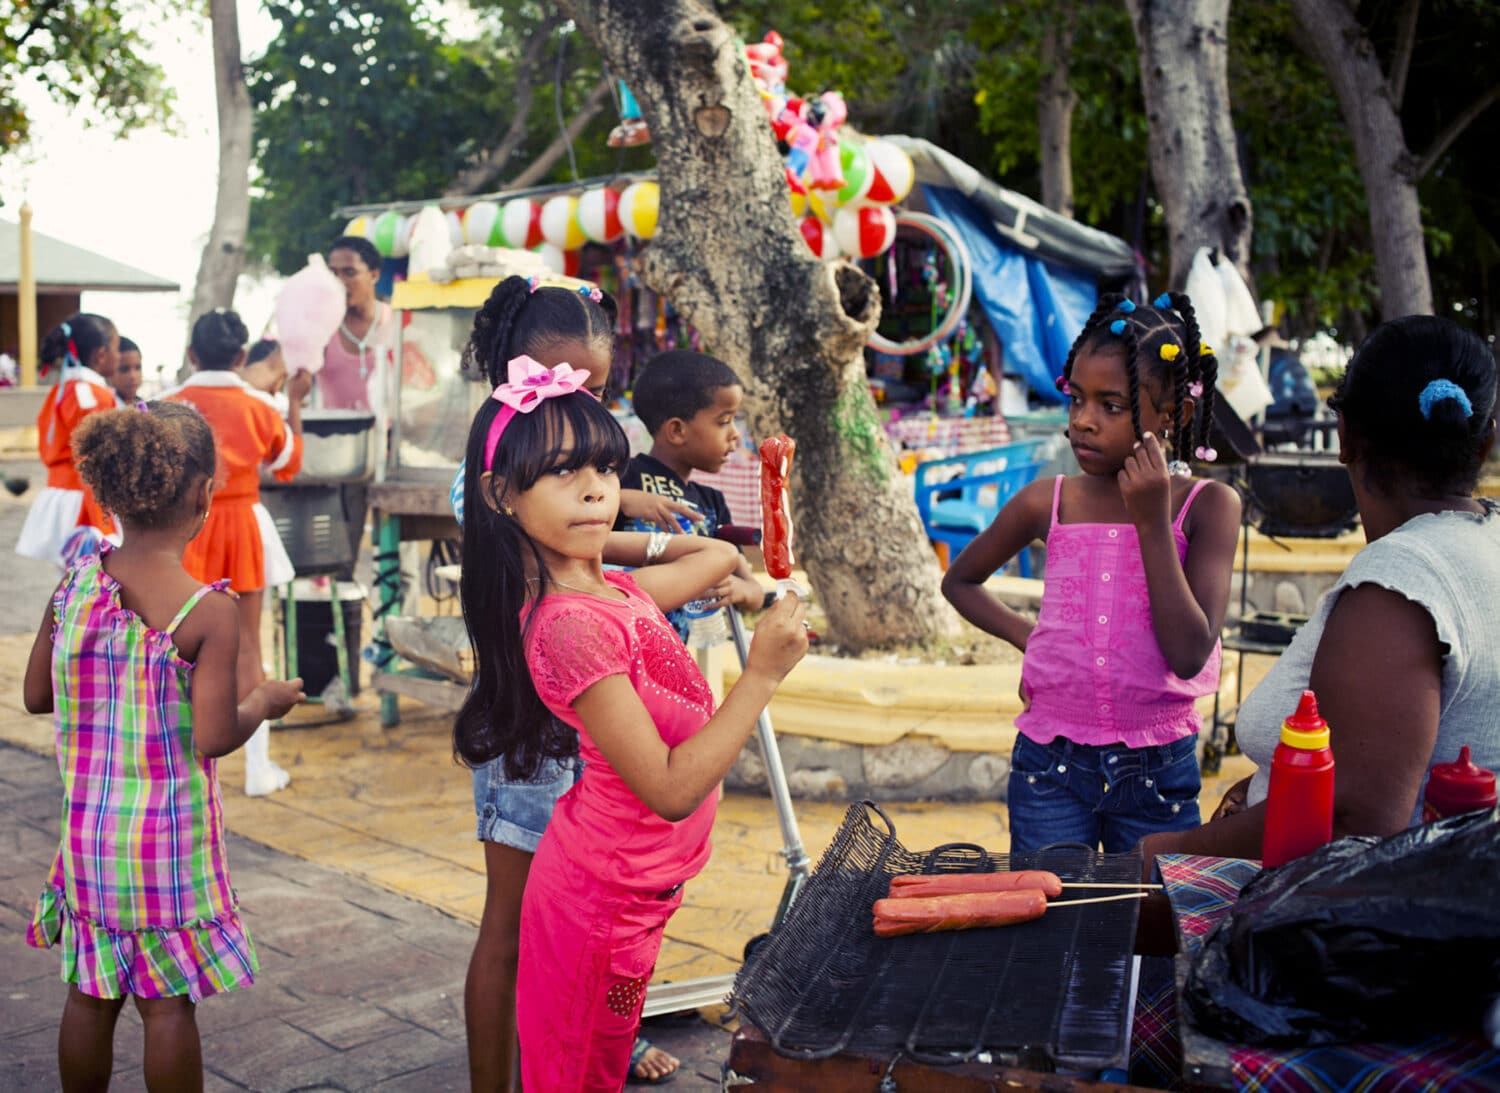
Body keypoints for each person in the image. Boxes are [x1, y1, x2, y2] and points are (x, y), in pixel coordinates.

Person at [455, 352, 808, 1092]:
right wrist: (764, 674)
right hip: (600, 911)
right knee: (584, 1069)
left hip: (634, 905)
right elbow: (671, 788)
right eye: (562, 473)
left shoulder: (616, 589)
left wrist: (605, 532)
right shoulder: (570, 627)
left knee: (605, 1056)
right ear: (501, 495)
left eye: (605, 471)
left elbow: (712, 552)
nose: (594, 490)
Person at [453, 275, 706, 1090]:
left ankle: (589, 1048)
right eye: (558, 383)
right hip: (531, 728)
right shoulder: (494, 469)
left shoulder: (580, 478)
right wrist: (630, 521)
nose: (574, 401)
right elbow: (566, 557)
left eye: (594, 391)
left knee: (585, 925)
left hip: (594, 726)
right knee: (515, 924)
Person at [1140, 314, 1500, 867]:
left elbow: (1352, 816)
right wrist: (1265, 794)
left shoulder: (1401, 585)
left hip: (1378, 926)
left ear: (1344, 436)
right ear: (1485, 442)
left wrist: (1166, 852)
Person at [22, 401, 303, 1093]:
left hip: (88, 840)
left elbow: (35, 694)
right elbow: (213, 735)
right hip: (166, 849)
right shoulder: (206, 612)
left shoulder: (76, 585)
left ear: (108, 489)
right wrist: (261, 702)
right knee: (167, 1004)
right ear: (205, 494)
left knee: (89, 994)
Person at [943, 293, 1241, 853]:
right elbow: (959, 582)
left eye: (1111, 406)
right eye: (1076, 398)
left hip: (1156, 772)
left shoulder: (1208, 507)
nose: (1082, 420)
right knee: (1050, 925)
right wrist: (1031, 638)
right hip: (1050, 767)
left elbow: (1188, 653)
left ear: (1171, 414)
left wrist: (1152, 522)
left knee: (1147, 924)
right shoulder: (1046, 501)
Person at [164, 310, 312, 797]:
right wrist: (294, 403)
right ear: (243, 356)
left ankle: (175, 764)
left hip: (182, 530)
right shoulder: (256, 403)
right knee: (247, 645)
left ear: (191, 353)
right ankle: (257, 769)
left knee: (172, 644)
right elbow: (289, 462)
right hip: (245, 526)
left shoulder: (165, 404)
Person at [619, 349, 771, 639]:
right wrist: (622, 500)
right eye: (724, 421)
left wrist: (743, 590)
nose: (736, 435)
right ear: (677, 430)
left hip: (680, 661)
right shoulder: (624, 479)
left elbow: (752, 591)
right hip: (623, 646)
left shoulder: (712, 502)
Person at [16, 314, 122, 567]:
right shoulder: (93, 395)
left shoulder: (62, 390)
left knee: (72, 584)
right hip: (84, 501)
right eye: (116, 349)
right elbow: (99, 457)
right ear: (100, 354)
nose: (119, 356)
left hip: (60, 497)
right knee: (92, 585)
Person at [320, 234, 393, 412]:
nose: (339, 281)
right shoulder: (321, 327)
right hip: (337, 437)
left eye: (349, 272)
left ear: (374, 275)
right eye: (333, 273)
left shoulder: (396, 321)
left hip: (390, 436)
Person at [112, 336, 145, 404]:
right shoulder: (103, 409)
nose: (133, 376)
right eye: (124, 369)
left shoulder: (145, 406)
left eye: (138, 367)